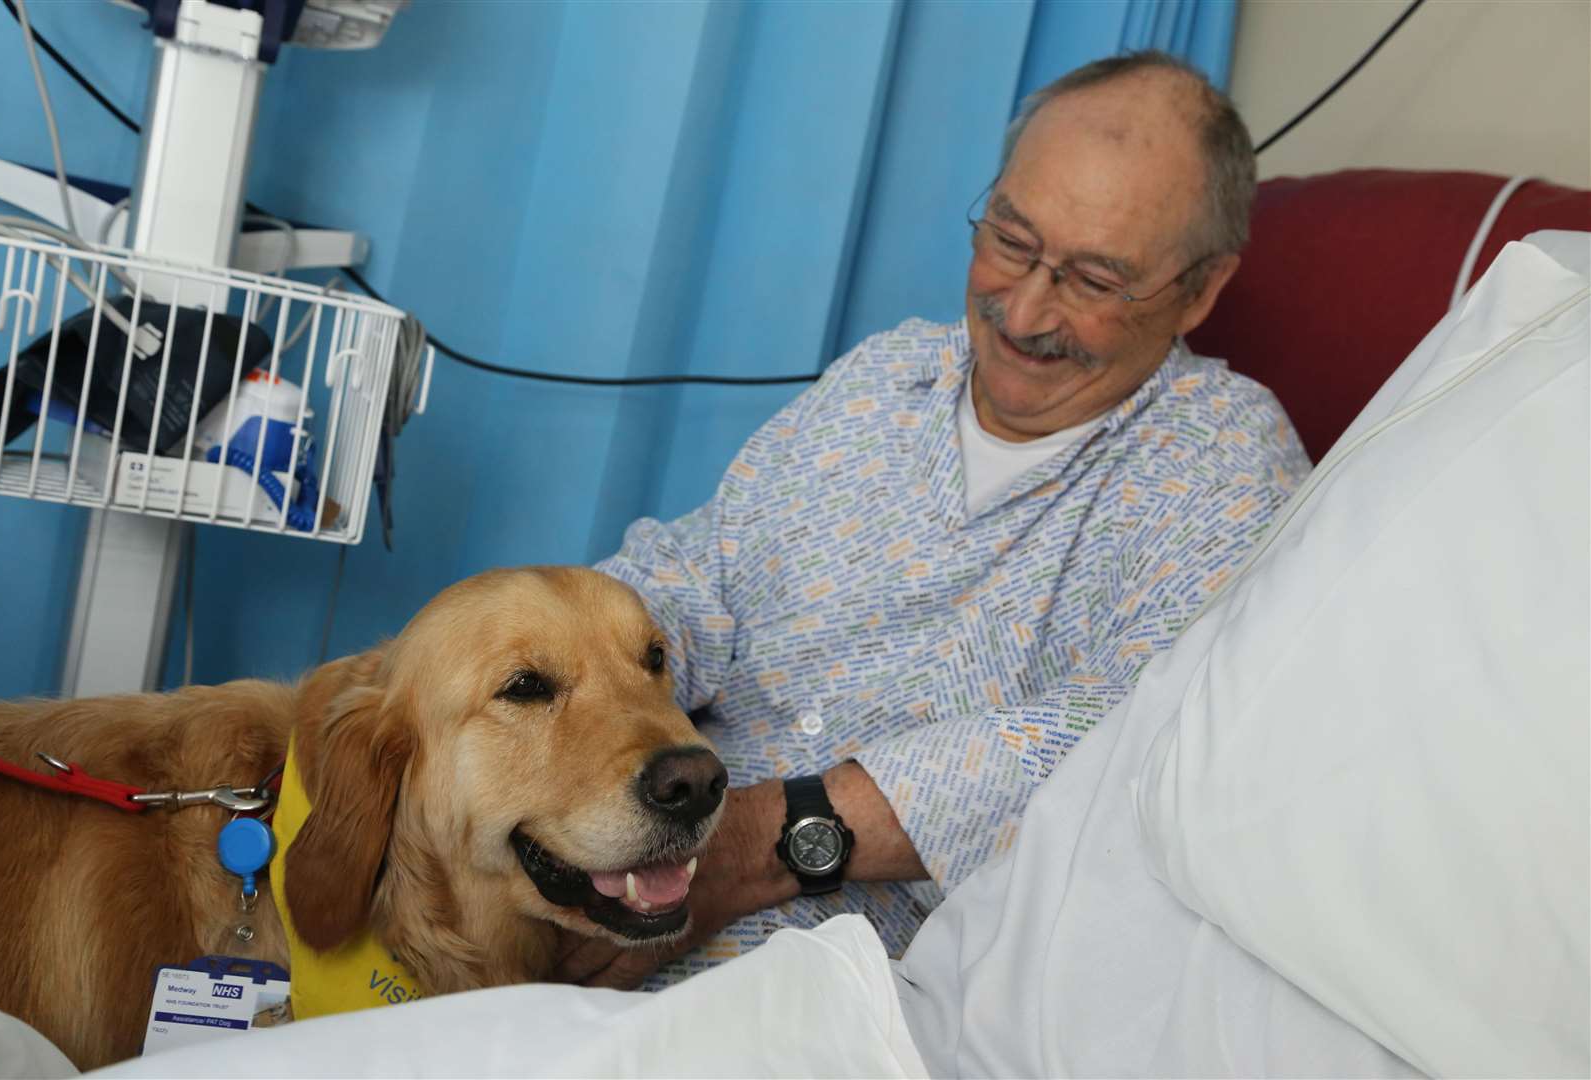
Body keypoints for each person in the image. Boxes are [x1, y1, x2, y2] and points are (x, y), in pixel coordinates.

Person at [561, 49, 1311, 989]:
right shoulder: (886, 376)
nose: (1022, 309)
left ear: (1199, 290)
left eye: (1092, 280)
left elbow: (1119, 744)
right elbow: (697, 576)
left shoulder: (1227, 465)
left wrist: (764, 840)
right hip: (636, 837)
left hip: (826, 965)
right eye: (1010, 237)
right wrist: (560, 678)